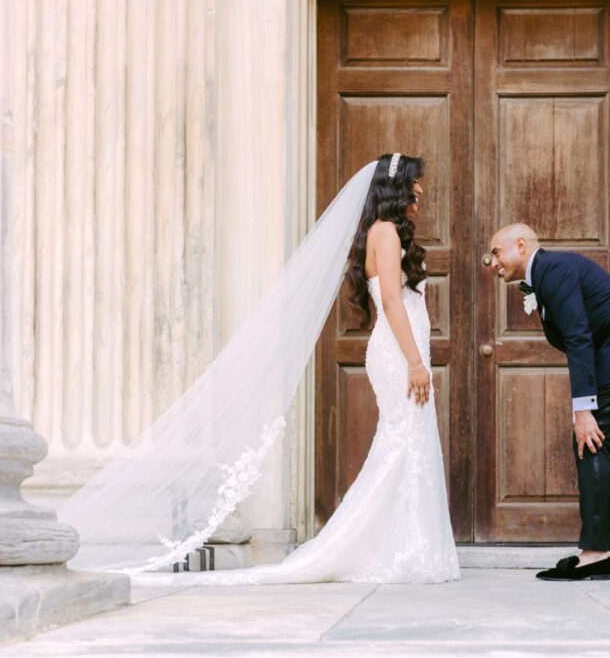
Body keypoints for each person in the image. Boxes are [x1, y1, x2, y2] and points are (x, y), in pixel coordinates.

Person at [126, 154, 460, 586]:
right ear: (398, 187)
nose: (421, 189)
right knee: (401, 444)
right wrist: (415, 363)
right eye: (416, 182)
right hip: (399, 357)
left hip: (402, 353)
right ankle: (385, 548)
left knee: (406, 444)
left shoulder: (385, 232)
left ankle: (407, 545)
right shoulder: (387, 232)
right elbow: (393, 302)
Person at [489, 223, 610, 581]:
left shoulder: (552, 270)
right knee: (593, 446)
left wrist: (584, 410)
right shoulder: (546, 273)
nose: (491, 262)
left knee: (590, 442)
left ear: (521, 245)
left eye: (496, 252)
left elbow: (578, 338)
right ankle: (600, 552)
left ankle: (596, 555)